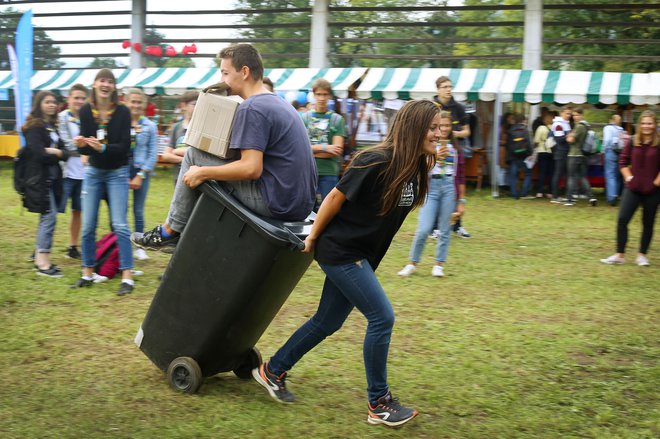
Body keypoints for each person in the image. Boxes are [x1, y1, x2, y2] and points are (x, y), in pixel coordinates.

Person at [252, 99, 441, 428]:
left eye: (441, 128)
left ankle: (272, 369)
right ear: (414, 127)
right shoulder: (374, 160)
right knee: (382, 318)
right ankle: (379, 403)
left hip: (361, 254)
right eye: (433, 128)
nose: (439, 134)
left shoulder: (416, 166)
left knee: (327, 322)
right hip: (341, 251)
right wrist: (313, 238)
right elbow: (335, 197)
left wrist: (430, 156)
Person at [132, 43, 317, 252]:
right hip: (299, 205)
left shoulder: (252, 107)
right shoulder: (279, 103)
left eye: (225, 73)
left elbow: (251, 169)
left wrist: (203, 172)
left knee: (193, 155)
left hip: (275, 203)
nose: (222, 80)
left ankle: (170, 231)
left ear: (244, 72)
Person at [72, 68, 134, 296]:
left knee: (120, 224)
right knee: (88, 226)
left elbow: (126, 146)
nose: (106, 84)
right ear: (95, 84)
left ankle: (127, 276)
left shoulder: (123, 111)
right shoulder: (87, 110)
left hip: (117, 172)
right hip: (94, 172)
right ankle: (87, 273)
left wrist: (105, 148)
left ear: (114, 87)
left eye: (110, 81)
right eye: (102, 80)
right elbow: (87, 141)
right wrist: (80, 144)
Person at [398, 109, 465, 278]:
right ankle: (412, 263)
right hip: (432, 187)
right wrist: (434, 154)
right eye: (441, 126)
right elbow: (420, 170)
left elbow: (460, 176)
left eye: (448, 125)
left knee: (445, 228)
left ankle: (438, 264)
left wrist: (461, 200)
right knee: (424, 228)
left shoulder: (455, 148)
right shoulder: (428, 144)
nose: (444, 129)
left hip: (449, 187)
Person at [600, 110, 660, 267]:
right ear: (639, 125)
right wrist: (628, 177)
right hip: (633, 189)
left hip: (653, 191)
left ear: (655, 125)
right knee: (622, 219)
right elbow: (623, 161)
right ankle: (620, 254)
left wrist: (656, 183)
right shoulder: (633, 141)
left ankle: (642, 255)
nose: (647, 126)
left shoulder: (659, 142)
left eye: (650, 123)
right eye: (644, 123)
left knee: (648, 223)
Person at [21, 91, 69, 277]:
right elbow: (38, 154)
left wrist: (55, 152)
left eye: (53, 102)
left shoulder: (52, 127)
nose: (51, 105)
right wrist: (55, 154)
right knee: (49, 217)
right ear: (39, 104)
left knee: (47, 217)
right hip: (39, 180)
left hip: (52, 179)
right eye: (47, 102)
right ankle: (42, 263)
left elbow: (65, 152)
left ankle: (40, 256)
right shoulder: (34, 127)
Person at [432, 75, 472, 238]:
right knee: (435, 186)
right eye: (445, 86)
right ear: (438, 89)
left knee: (454, 186)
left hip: (454, 149)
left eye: (450, 86)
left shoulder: (459, 108)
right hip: (435, 148)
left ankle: (457, 225)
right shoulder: (432, 106)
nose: (448, 89)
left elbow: (467, 131)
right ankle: (434, 227)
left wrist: (451, 132)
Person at [124, 88, 158, 261]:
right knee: (121, 210)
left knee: (138, 210)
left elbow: (153, 154)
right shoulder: (120, 123)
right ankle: (122, 245)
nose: (135, 105)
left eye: (139, 102)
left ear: (143, 104)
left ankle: (139, 246)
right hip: (122, 170)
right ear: (126, 102)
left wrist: (141, 174)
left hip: (141, 170)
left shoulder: (150, 126)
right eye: (133, 101)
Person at [302, 78, 346, 206]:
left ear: (330, 96)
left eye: (325, 94)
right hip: (308, 171)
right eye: (319, 94)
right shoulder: (305, 118)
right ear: (314, 95)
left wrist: (311, 150)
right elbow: (301, 148)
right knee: (306, 209)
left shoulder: (337, 119)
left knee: (327, 209)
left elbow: (337, 150)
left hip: (329, 172)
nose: (321, 98)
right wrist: (326, 148)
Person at [57, 83, 89, 259]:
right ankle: (41, 247)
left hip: (83, 174)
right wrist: (84, 150)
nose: (79, 101)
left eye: (82, 98)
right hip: (65, 172)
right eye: (76, 97)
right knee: (53, 210)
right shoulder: (62, 117)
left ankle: (72, 245)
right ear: (69, 99)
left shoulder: (89, 117)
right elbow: (65, 142)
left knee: (78, 211)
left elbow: (94, 141)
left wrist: (88, 148)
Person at [160, 91, 199, 186]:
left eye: (200, 104)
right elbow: (166, 155)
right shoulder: (176, 127)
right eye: (194, 104)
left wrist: (177, 152)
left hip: (197, 178)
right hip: (179, 178)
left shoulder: (201, 128)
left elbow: (199, 156)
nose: (198, 107)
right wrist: (185, 160)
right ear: (183, 105)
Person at [564, 107, 597, 207]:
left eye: (577, 115)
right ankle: (591, 197)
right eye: (574, 115)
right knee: (583, 177)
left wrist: (568, 136)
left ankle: (570, 199)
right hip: (583, 155)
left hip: (574, 154)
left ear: (582, 115)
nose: (575, 117)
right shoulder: (587, 126)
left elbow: (570, 140)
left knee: (570, 176)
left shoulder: (579, 126)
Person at [505, 113, 533, 199]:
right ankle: (524, 193)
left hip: (513, 157)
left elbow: (508, 145)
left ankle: (514, 194)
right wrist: (530, 153)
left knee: (513, 175)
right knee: (528, 174)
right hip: (524, 156)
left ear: (515, 120)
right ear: (523, 120)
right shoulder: (525, 130)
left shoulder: (510, 130)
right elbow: (528, 143)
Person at [550, 106, 573, 203]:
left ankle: (566, 196)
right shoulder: (559, 124)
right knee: (558, 173)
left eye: (570, 114)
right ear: (561, 113)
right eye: (567, 113)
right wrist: (569, 136)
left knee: (565, 174)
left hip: (565, 151)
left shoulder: (565, 123)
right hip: (560, 151)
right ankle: (555, 196)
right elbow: (559, 140)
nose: (569, 115)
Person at [602, 114, 625, 206]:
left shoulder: (608, 128)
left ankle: (611, 197)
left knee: (610, 174)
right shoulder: (621, 129)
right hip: (619, 153)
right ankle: (617, 194)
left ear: (610, 119)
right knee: (617, 175)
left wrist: (604, 150)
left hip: (610, 152)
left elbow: (607, 140)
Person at [532, 110, 555, 198]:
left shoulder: (541, 128)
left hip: (542, 151)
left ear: (544, 120)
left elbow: (536, 141)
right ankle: (550, 192)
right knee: (551, 173)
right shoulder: (555, 128)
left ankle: (539, 191)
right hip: (552, 152)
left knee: (542, 172)